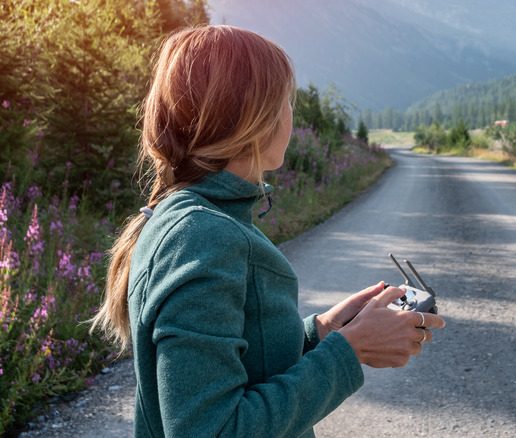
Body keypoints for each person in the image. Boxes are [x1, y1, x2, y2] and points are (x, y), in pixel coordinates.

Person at [90, 25, 445, 438]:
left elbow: (238, 363)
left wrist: (322, 332)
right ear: (252, 118)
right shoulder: (204, 235)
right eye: (285, 101)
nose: (291, 114)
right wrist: (350, 352)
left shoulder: (186, 216)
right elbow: (209, 430)